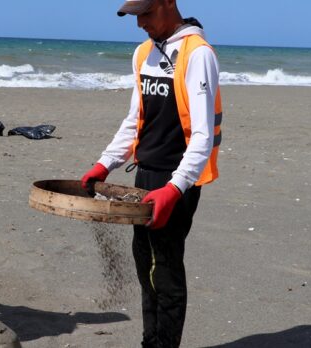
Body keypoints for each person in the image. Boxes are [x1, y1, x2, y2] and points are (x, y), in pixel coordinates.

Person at [81, 0, 222, 346]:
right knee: (145, 265)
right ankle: (151, 342)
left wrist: (174, 189)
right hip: (144, 176)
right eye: (135, 15)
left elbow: (203, 136)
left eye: (145, 13)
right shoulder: (144, 53)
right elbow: (135, 120)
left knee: (167, 270)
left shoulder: (198, 54)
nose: (139, 23)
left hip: (178, 180)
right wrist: (105, 163)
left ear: (167, 4)